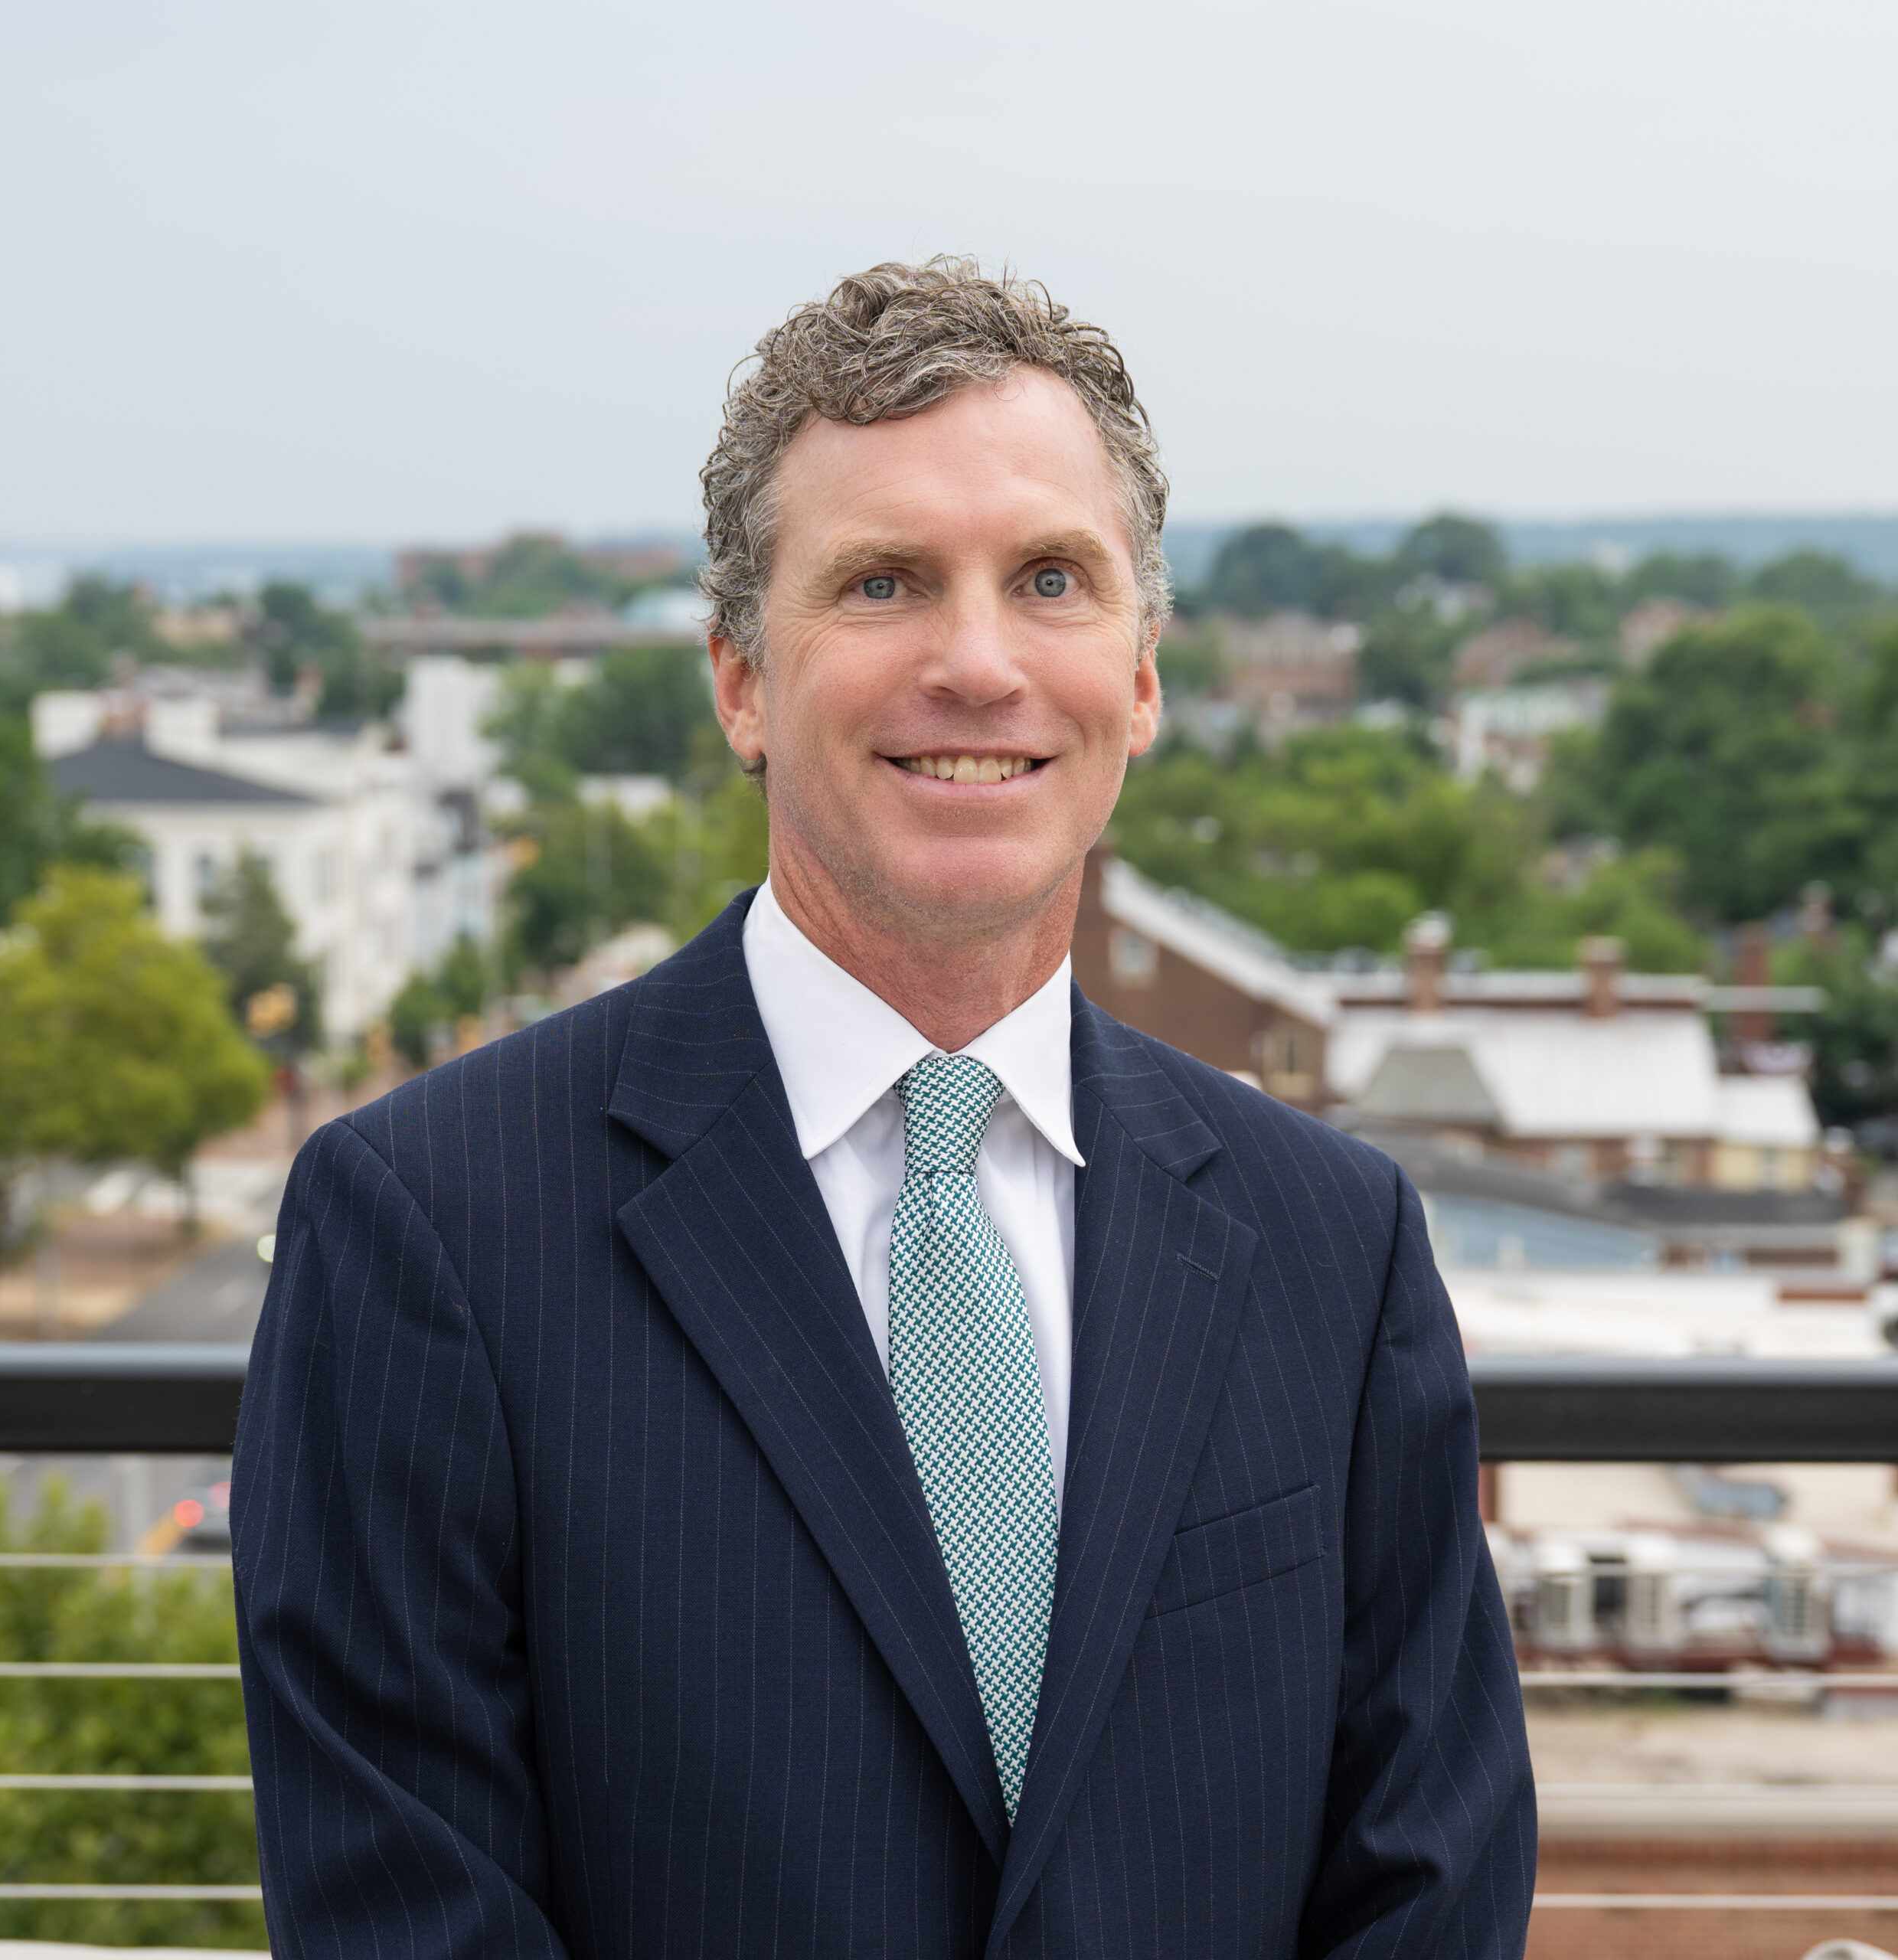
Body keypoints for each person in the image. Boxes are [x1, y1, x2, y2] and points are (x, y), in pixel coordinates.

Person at [234, 258, 1534, 1958]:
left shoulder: (1329, 1240)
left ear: (1139, 677)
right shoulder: (427, 1229)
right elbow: (406, 1914)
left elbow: (1424, 1882)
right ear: (739, 680)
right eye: (884, 583)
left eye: (1050, 579)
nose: (977, 663)